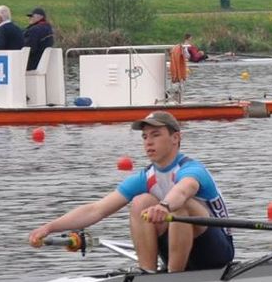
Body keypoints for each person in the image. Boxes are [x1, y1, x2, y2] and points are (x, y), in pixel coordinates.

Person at [28, 111, 234, 273]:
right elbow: (96, 210)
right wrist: (49, 227)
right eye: (145, 137)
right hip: (176, 248)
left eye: (156, 135)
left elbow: (182, 190)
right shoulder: (146, 177)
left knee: (180, 206)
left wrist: (163, 206)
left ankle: (174, 279)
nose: (148, 142)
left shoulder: (192, 169)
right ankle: (147, 273)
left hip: (215, 251)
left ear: (175, 138)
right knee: (140, 202)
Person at [23, 7, 54, 71]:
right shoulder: (49, 29)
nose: (30, 18)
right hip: (43, 62)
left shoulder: (34, 30)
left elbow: (30, 49)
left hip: (33, 64)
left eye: (32, 16)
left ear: (40, 17)